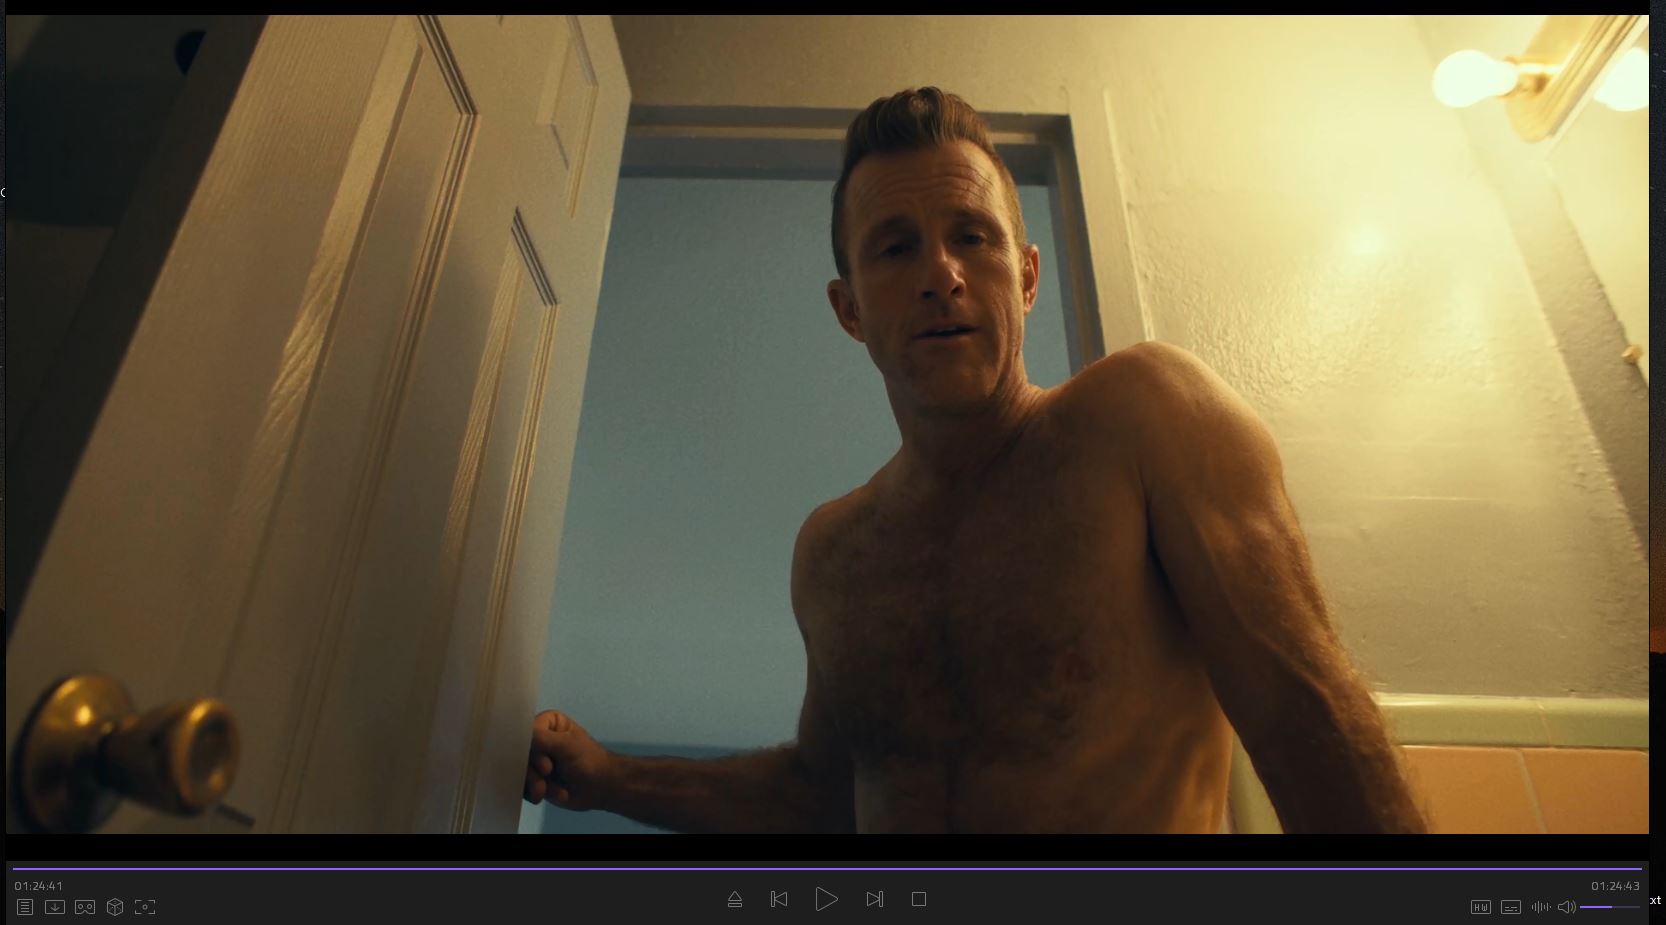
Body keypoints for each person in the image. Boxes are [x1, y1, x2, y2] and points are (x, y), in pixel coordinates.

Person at [523, 87, 1428, 834]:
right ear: (849, 309)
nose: (941, 273)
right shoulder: (833, 554)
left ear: (1026, 277)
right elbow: (820, 796)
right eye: (896, 247)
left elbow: (1310, 719)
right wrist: (608, 778)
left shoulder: (1147, 418)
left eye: (973, 236)